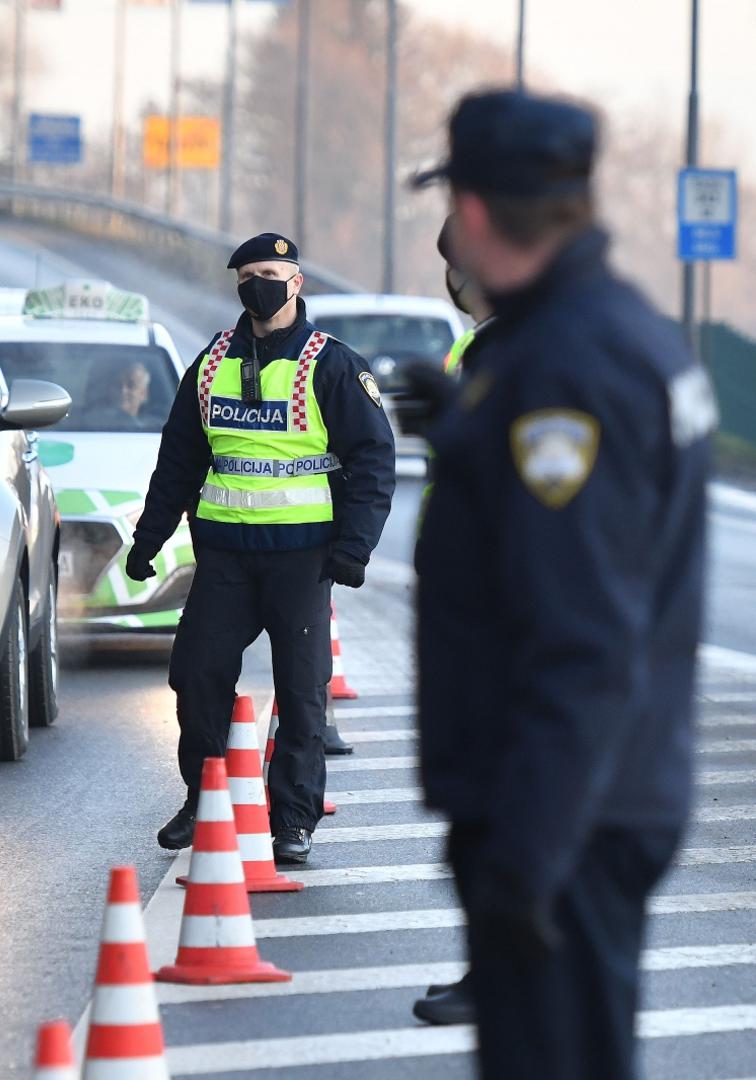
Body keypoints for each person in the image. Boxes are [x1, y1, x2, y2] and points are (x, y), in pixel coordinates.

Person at [408, 89, 711, 1080]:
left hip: (565, 818)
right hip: (593, 799)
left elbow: (584, 643)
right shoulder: (615, 335)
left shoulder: (564, 371)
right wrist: (466, 431)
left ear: (480, 215)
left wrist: (526, 862)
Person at [126, 232, 396, 864]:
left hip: (303, 560)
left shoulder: (331, 365)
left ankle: (293, 821)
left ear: (296, 282)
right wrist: (148, 540)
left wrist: (354, 549)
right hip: (224, 559)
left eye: (270, 272)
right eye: (248, 274)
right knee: (195, 675)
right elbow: (178, 463)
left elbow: (374, 461)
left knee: (302, 691)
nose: (258, 284)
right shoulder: (211, 362)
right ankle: (206, 799)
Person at [409, 214, 493, 1029]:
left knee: (500, 822)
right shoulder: (482, 345)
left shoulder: (515, 350)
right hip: (476, 611)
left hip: (502, 628)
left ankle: (499, 978)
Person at [79, 358, 153, 429]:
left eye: (131, 385)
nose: (123, 390)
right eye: (118, 384)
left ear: (143, 394)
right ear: (109, 390)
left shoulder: (155, 432)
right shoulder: (88, 424)